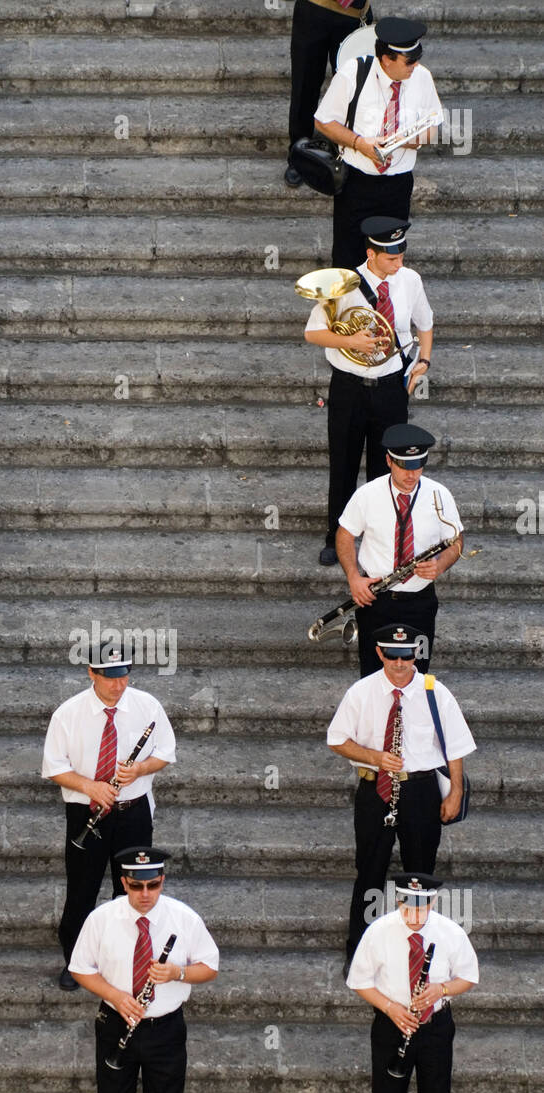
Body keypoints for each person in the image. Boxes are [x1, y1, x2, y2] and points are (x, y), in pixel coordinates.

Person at [70, 846, 219, 1093]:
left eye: (153, 885)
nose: (145, 894)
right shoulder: (102, 918)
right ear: (123, 882)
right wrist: (117, 996)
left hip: (164, 1028)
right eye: (136, 886)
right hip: (117, 1023)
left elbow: (210, 966)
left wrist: (177, 974)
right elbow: (80, 969)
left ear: (162, 881)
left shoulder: (183, 918)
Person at [327, 623, 476, 965]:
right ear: (379, 653)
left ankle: (416, 949)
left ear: (416, 653)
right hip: (374, 788)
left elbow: (455, 746)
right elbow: (337, 739)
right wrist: (375, 758)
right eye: (391, 655)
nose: (398, 663)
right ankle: (361, 953)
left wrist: (454, 791)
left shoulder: (434, 691)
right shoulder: (362, 692)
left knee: (421, 874)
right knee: (369, 872)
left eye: (405, 655)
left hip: (422, 790)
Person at [41, 644, 176, 992]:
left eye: (123, 676)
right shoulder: (68, 714)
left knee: (130, 891)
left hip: (134, 812)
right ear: (91, 673)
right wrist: (90, 786)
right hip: (87, 811)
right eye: (110, 678)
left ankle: (123, 961)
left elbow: (165, 752)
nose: (118, 685)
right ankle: (75, 962)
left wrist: (141, 768)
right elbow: (54, 767)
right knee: (82, 890)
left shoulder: (147, 706)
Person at [346, 872, 478, 1093]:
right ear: (399, 901)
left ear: (433, 903)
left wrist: (441, 990)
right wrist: (391, 1008)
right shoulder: (379, 932)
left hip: (435, 1029)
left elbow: (468, 976)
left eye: (422, 908)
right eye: (409, 907)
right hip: (393, 1027)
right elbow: (358, 981)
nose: (415, 916)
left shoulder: (450, 933)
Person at [304, 217, 433, 565]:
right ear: (371, 254)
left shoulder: (410, 280)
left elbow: (426, 324)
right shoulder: (344, 285)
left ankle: (379, 539)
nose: (399, 264)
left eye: (401, 256)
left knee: (385, 467)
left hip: (391, 388)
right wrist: (350, 340)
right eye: (391, 259)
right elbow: (313, 333)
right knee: (343, 464)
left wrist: (424, 362)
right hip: (349, 388)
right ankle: (337, 537)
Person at [336, 423, 464, 677]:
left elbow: (457, 541)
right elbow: (344, 535)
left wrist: (440, 565)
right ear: (388, 461)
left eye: (418, 466)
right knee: (373, 675)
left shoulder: (439, 494)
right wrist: (353, 578)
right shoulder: (368, 495)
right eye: (405, 467)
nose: (412, 475)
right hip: (375, 600)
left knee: (418, 674)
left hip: (420, 601)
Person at [315, 17, 441, 269]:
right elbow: (323, 121)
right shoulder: (353, 72)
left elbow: (433, 129)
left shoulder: (422, 77)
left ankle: (381, 308)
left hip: (397, 184)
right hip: (357, 183)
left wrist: (404, 141)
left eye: (417, 58)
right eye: (409, 61)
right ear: (387, 59)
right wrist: (359, 143)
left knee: (388, 260)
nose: (415, 66)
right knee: (347, 258)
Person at [286, 0, 373, 189]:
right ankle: (298, 153)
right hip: (313, 9)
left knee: (352, 90)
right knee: (304, 85)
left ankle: (347, 150)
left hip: (354, 14)